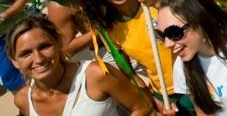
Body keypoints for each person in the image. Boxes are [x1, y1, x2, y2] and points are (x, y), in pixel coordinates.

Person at [64, 0, 191, 114]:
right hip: (167, 97)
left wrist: (157, 3)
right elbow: (128, 72)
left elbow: (194, 27)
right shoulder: (108, 27)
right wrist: (153, 99)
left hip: (198, 80)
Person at [7, 16, 153, 115]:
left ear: (58, 43)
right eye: (26, 53)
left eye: (44, 46)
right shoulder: (23, 100)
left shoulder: (96, 74)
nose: (38, 59)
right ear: (14, 60)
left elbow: (142, 107)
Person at [0, 0, 30, 94]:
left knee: (34, 64)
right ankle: (27, 105)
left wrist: (4, 15)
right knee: (9, 76)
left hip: (18, 30)